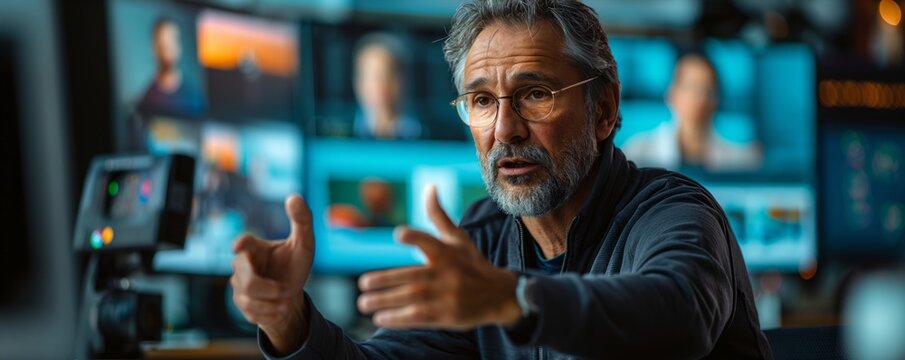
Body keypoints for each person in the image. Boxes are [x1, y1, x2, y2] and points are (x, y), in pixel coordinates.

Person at [230, 0, 773, 358]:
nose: (505, 130)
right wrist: (288, 320)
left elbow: (680, 318)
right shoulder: (485, 237)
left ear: (603, 109)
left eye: (536, 94)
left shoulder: (674, 209)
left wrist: (515, 301)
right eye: (483, 101)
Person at [623, 52, 762, 172]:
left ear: (717, 99)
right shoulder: (637, 152)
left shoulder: (741, 160)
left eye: (707, 90)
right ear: (671, 94)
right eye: (690, 87)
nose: (699, 98)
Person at [351, 33, 422, 139]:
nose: (378, 87)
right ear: (358, 83)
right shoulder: (339, 134)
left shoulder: (425, 133)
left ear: (404, 81)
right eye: (370, 77)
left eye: (386, 75)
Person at [136, 18, 205, 117]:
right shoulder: (145, 101)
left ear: (179, 46)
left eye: (172, 41)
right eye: (162, 42)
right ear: (154, 48)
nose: (168, 48)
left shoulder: (196, 99)